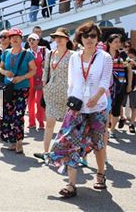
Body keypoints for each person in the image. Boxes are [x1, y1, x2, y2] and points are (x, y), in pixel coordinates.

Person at [45, 21, 112, 198]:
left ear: (98, 38)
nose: (89, 39)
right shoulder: (75, 57)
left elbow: (105, 82)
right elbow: (71, 82)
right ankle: (71, 184)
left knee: (98, 143)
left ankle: (100, 174)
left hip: (98, 107)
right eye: (86, 35)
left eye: (93, 35)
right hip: (77, 107)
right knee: (71, 142)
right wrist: (71, 101)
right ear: (80, 38)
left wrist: (96, 97)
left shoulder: (104, 57)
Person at [33, 28, 73, 160]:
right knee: (50, 122)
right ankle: (46, 152)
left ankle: (64, 153)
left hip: (67, 93)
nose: (58, 39)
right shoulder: (50, 53)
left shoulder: (73, 55)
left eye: (61, 37)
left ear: (67, 39)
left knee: (67, 126)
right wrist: (45, 86)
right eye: (56, 37)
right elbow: (46, 71)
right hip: (51, 92)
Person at [0, 28, 36, 153]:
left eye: (17, 37)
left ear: (21, 39)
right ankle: (12, 140)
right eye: (12, 37)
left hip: (22, 87)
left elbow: (33, 70)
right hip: (8, 88)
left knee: (18, 114)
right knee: (7, 114)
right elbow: (0, 68)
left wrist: (22, 77)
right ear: (9, 40)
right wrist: (5, 72)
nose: (14, 39)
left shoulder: (27, 54)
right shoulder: (5, 53)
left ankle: (19, 141)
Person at [105, 34, 132, 138]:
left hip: (120, 85)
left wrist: (129, 84)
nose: (118, 44)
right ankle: (106, 129)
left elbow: (129, 69)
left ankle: (112, 130)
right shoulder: (103, 54)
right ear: (109, 43)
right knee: (106, 107)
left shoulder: (123, 55)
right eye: (115, 42)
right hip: (106, 85)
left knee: (116, 107)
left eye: (119, 42)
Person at [27, 33, 47, 130]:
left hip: (41, 78)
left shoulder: (44, 50)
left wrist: (45, 62)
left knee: (39, 101)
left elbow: (50, 62)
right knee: (30, 102)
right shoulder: (26, 52)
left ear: (38, 41)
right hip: (30, 79)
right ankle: (31, 122)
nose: (31, 41)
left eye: (33, 39)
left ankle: (41, 122)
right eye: (29, 40)